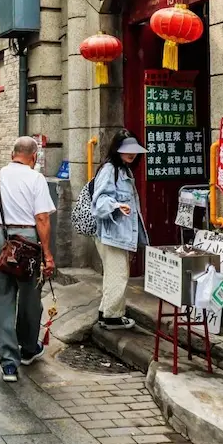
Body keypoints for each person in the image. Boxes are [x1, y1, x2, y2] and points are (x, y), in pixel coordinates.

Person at [0, 136, 56, 383]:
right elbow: (42, 219)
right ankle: (28, 348)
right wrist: (48, 254)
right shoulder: (36, 178)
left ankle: (8, 363)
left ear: (13, 154)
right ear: (33, 157)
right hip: (28, 240)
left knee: (1, 300)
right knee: (31, 297)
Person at [91, 130, 150, 331]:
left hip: (118, 233)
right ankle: (113, 317)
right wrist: (116, 206)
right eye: (126, 150)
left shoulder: (123, 169)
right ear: (117, 149)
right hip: (112, 233)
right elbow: (99, 202)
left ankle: (105, 312)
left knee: (113, 274)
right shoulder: (110, 169)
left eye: (134, 151)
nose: (131, 154)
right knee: (118, 274)